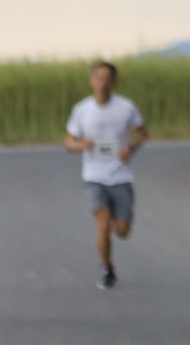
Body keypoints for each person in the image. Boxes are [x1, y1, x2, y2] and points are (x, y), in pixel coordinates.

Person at [63, 61, 147, 288]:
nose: (103, 83)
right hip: (94, 177)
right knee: (102, 225)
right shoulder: (82, 110)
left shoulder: (126, 107)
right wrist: (81, 144)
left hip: (120, 176)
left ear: (114, 82)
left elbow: (142, 133)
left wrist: (130, 148)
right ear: (91, 81)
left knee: (122, 231)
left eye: (108, 79)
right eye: (99, 78)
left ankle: (116, 225)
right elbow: (68, 142)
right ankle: (107, 267)